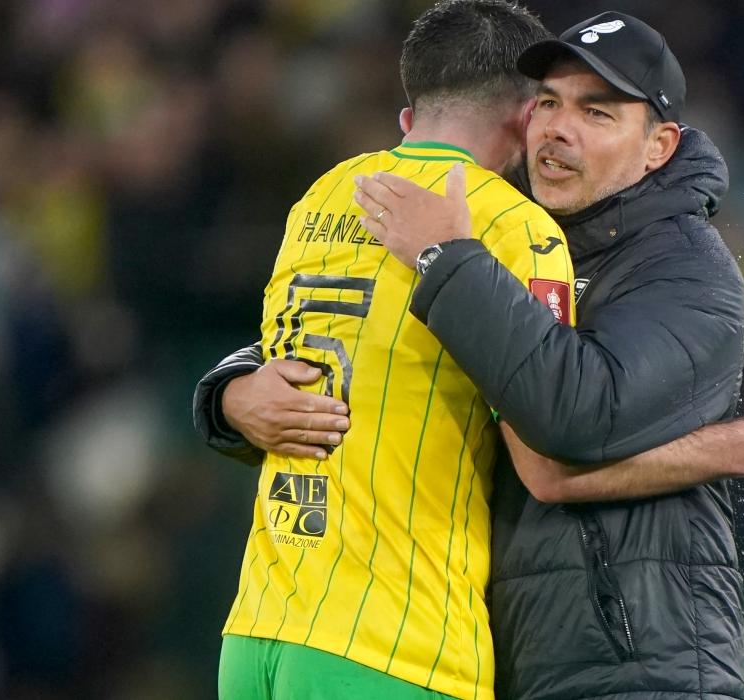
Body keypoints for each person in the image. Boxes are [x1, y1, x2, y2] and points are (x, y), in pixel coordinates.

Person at [197, 9, 744, 700]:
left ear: (658, 146)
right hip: (507, 650)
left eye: (597, 113)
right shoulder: (497, 227)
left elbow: (568, 434)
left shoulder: (685, 268)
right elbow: (345, 331)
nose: (559, 128)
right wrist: (232, 394)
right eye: (548, 102)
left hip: (636, 661)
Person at [204, 3, 574, 698]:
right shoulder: (515, 227)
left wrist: (225, 395)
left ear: (413, 110)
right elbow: (550, 456)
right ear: (527, 115)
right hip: (398, 641)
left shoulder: (323, 196)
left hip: (258, 630)